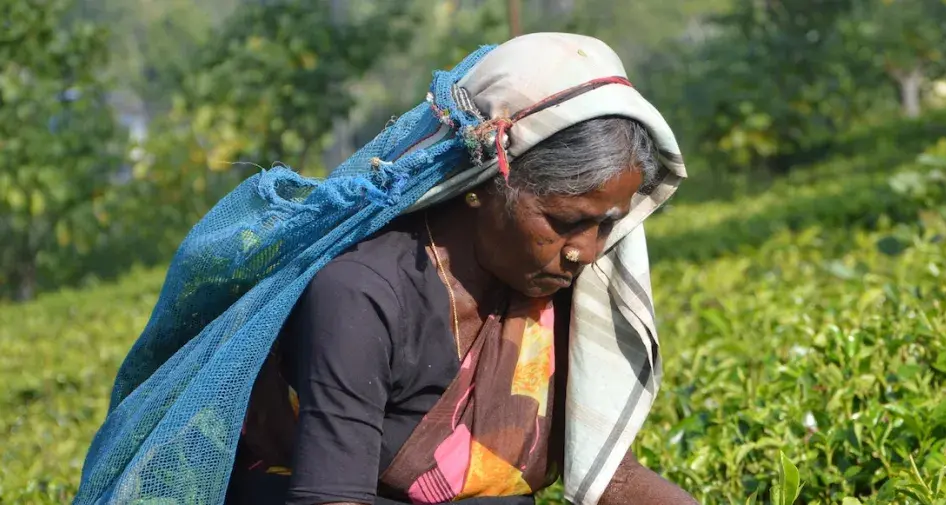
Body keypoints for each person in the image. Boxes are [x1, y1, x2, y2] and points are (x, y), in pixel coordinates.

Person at [222, 33, 698, 504]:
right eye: (566, 222)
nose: (587, 251)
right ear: (484, 186)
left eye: (605, 225)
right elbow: (331, 497)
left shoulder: (557, 283)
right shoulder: (363, 294)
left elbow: (613, 478)